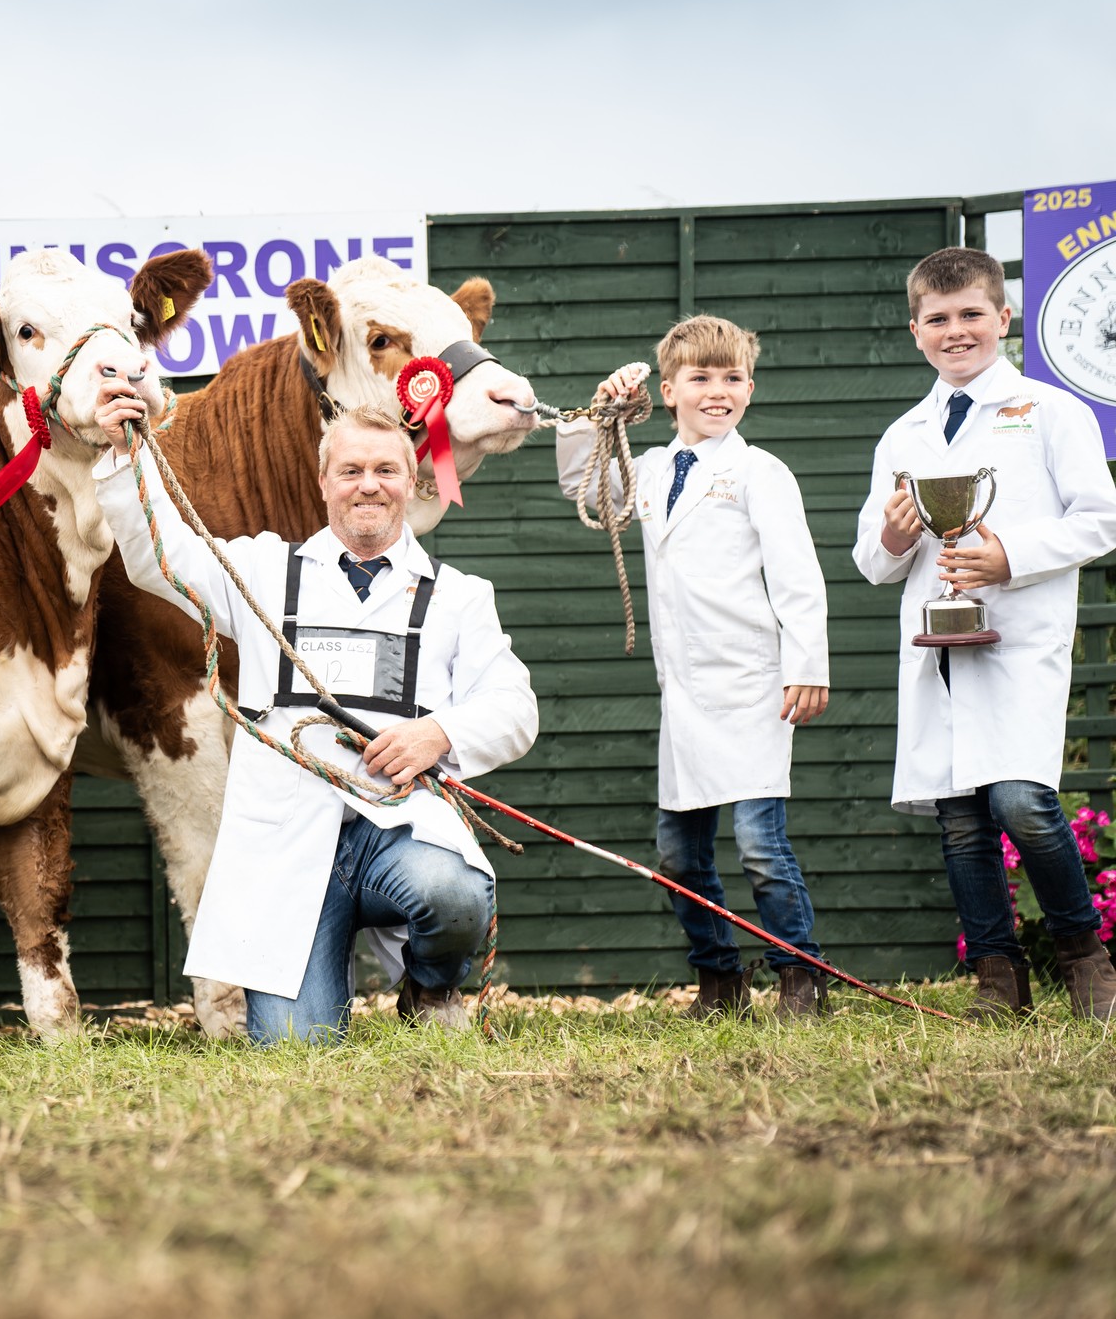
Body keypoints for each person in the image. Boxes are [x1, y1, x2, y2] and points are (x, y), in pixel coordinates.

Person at [88, 384, 538, 1044]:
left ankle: (431, 987)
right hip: (288, 853)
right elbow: (163, 555)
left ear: (411, 480)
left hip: (398, 832)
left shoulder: (460, 597)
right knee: (298, 1047)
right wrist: (125, 456)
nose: (368, 485)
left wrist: (438, 732)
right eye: (350, 470)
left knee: (454, 893)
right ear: (323, 482)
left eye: (385, 469)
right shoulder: (264, 570)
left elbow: (515, 707)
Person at [853, 246, 1116, 1022]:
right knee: (961, 819)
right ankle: (998, 977)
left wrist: (1011, 558)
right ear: (915, 330)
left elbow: (1099, 518)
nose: (956, 330)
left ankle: (1084, 956)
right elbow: (872, 561)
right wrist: (896, 535)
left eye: (971, 313)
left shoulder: (1050, 411)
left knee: (1022, 799)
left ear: (1003, 317)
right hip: (937, 648)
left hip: (1019, 638)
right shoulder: (904, 434)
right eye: (938, 318)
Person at [556, 317, 833, 1017]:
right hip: (684, 692)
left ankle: (800, 977)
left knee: (761, 845)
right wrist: (598, 414)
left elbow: (798, 576)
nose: (718, 391)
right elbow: (586, 489)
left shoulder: (760, 472)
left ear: (750, 388)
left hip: (753, 685)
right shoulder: (649, 469)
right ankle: (719, 978)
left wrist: (807, 662)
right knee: (679, 853)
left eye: (732, 378)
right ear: (669, 390)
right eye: (701, 378)